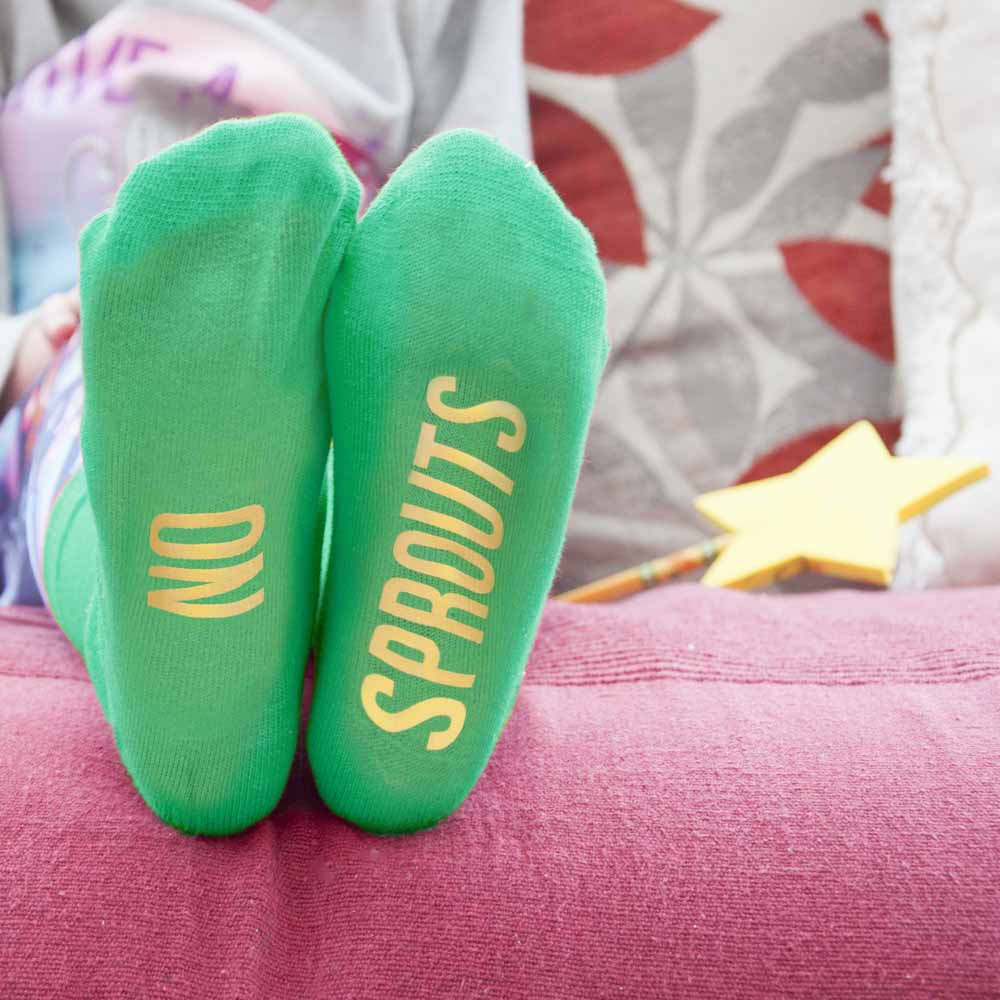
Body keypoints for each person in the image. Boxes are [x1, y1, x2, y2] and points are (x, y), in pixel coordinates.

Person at [0, 3, 609, 838]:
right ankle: (371, 705)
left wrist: (460, 301)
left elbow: (494, 225)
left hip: (344, 360)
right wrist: (27, 345)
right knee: (107, 411)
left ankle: (209, 705)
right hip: (76, 347)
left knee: (361, 434)